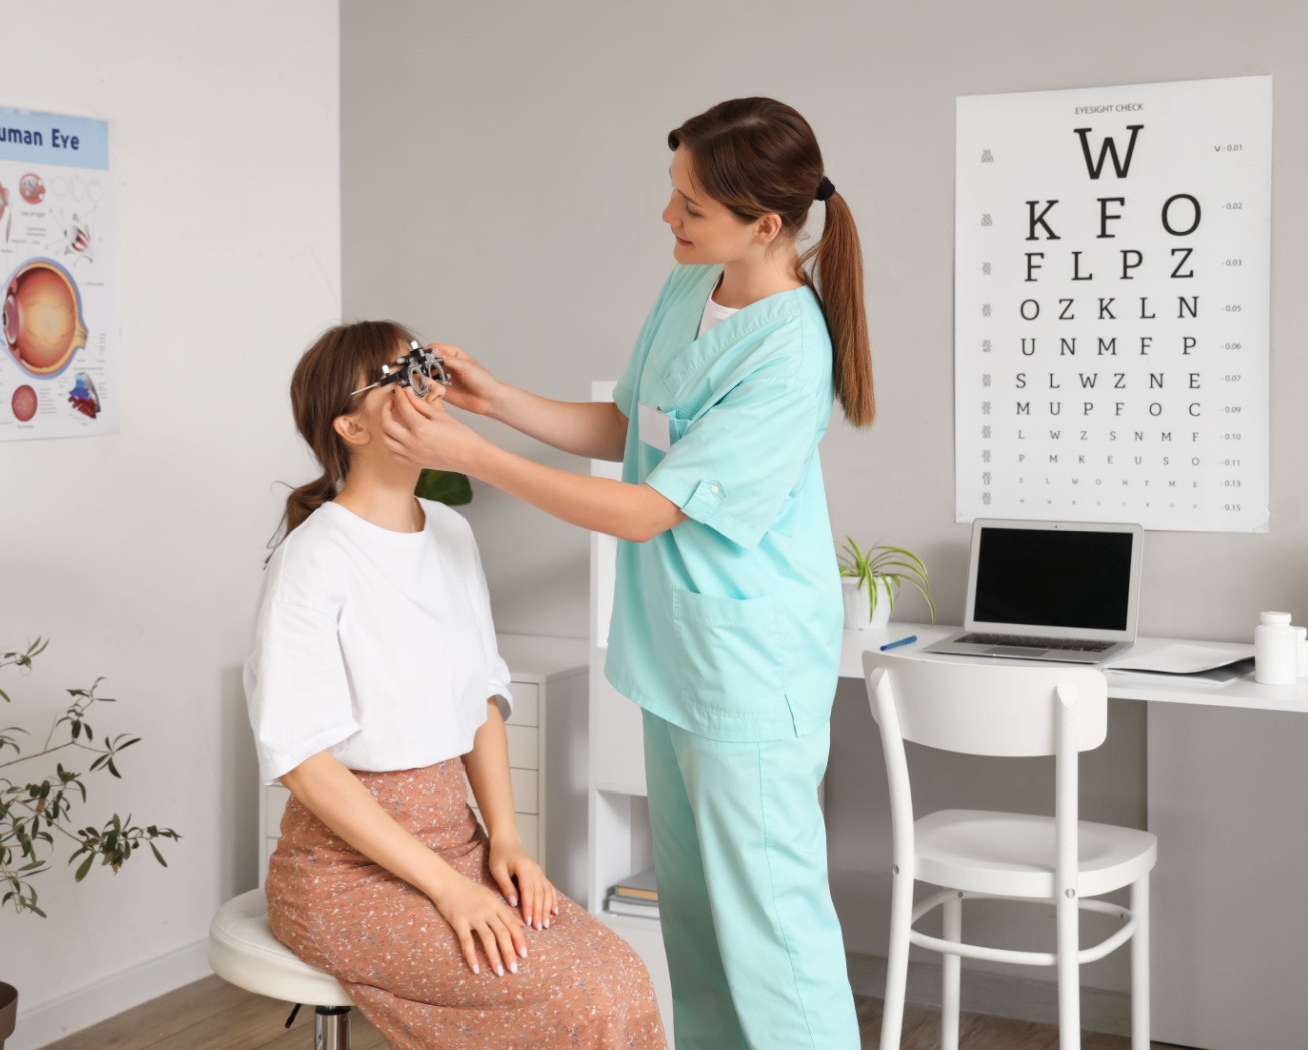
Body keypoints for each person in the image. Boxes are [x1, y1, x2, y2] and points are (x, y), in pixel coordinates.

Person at [380, 98, 873, 1049]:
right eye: (674, 194)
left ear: (764, 224)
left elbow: (653, 509)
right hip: (677, 655)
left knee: (774, 939)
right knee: (695, 928)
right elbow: (637, 432)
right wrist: (498, 402)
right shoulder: (693, 286)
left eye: (689, 204)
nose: (668, 217)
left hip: (749, 671)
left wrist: (475, 457)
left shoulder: (789, 350)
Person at [246, 320, 666, 1050]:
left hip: (459, 841)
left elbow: (481, 700)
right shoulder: (314, 559)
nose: (421, 380)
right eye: (395, 374)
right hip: (345, 872)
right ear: (350, 426)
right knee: (576, 1002)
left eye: (420, 363)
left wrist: (506, 840)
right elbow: (305, 765)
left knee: (621, 974)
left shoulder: (449, 531)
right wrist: (446, 888)